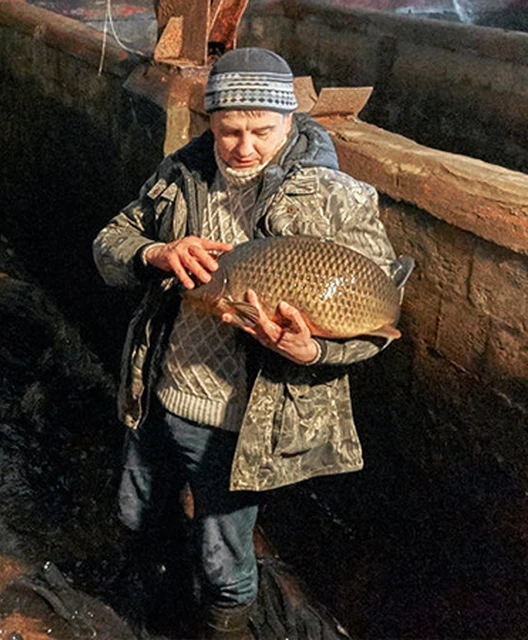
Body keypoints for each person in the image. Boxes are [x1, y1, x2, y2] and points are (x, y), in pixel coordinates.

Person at [93, 47, 399, 639]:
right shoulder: (178, 175)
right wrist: (154, 252)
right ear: (209, 120)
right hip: (156, 392)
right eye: (229, 129)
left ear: (289, 121)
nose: (244, 147)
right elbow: (110, 242)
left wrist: (312, 352)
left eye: (263, 131)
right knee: (137, 515)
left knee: (223, 558)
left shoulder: (337, 200)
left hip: (238, 423)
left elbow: (374, 325)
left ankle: (223, 627)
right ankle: (156, 606)